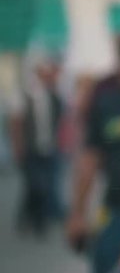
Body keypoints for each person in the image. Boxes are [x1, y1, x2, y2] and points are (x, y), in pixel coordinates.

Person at [66, 34, 120, 273]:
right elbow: (89, 160)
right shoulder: (106, 101)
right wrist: (77, 213)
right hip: (116, 208)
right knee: (102, 261)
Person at [11, 47, 67, 236]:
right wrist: (18, 148)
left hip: (49, 148)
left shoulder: (53, 95)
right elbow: (16, 124)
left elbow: (60, 119)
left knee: (45, 185)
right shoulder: (25, 94)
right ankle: (35, 220)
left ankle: (36, 219)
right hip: (31, 149)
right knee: (35, 186)